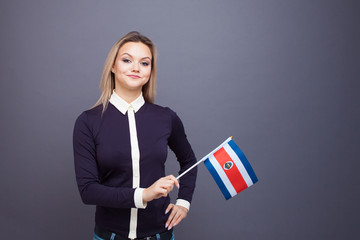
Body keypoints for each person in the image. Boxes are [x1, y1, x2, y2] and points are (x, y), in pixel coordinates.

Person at [73, 31, 197, 240]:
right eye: (127, 60)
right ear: (113, 66)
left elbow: (189, 161)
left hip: (160, 234)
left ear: (150, 71)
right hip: (109, 235)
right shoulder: (88, 122)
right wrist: (144, 195)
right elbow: (88, 190)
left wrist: (183, 203)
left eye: (145, 63)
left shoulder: (166, 117)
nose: (136, 68)